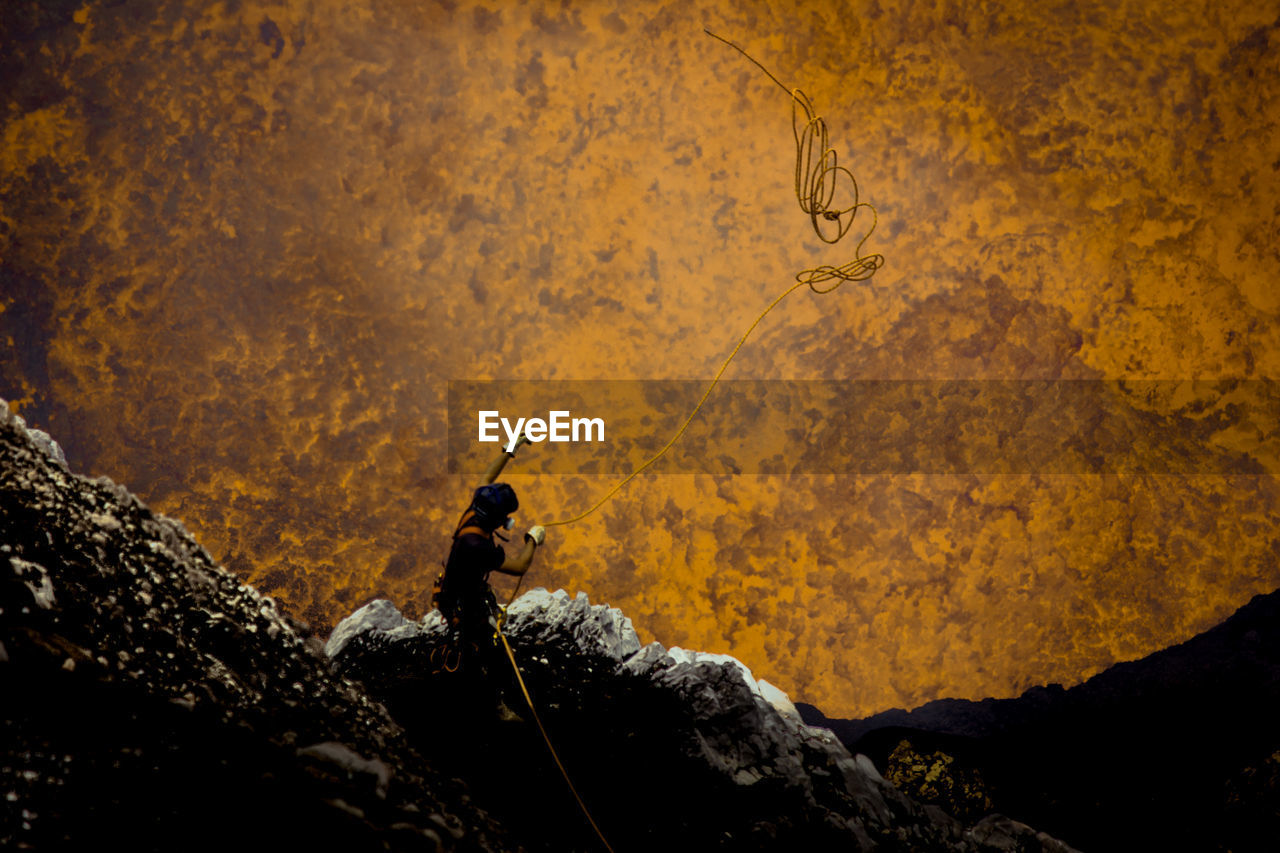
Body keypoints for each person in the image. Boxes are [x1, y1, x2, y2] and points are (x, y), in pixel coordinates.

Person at [432, 434, 545, 720]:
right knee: (489, 651)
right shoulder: (478, 547)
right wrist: (533, 539)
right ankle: (494, 706)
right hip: (464, 603)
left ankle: (476, 687)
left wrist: (510, 450)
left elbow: (487, 476)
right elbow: (519, 566)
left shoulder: (474, 511)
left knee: (481, 645)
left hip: (454, 589)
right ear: (499, 518)